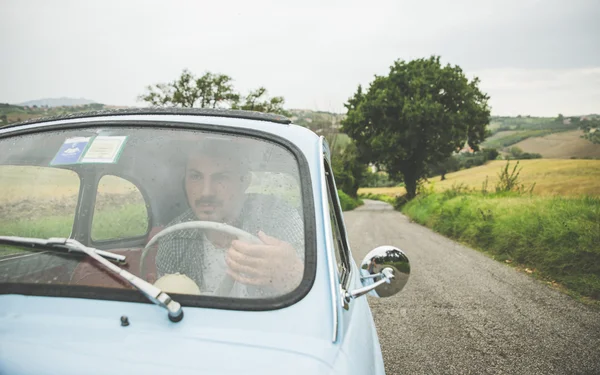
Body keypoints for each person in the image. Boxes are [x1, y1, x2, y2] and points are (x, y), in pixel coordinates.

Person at [155, 138, 305, 297]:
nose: (206, 192)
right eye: (196, 176)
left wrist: (292, 272)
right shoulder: (173, 237)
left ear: (245, 181)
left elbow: (313, 287)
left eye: (221, 177)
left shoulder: (278, 217)